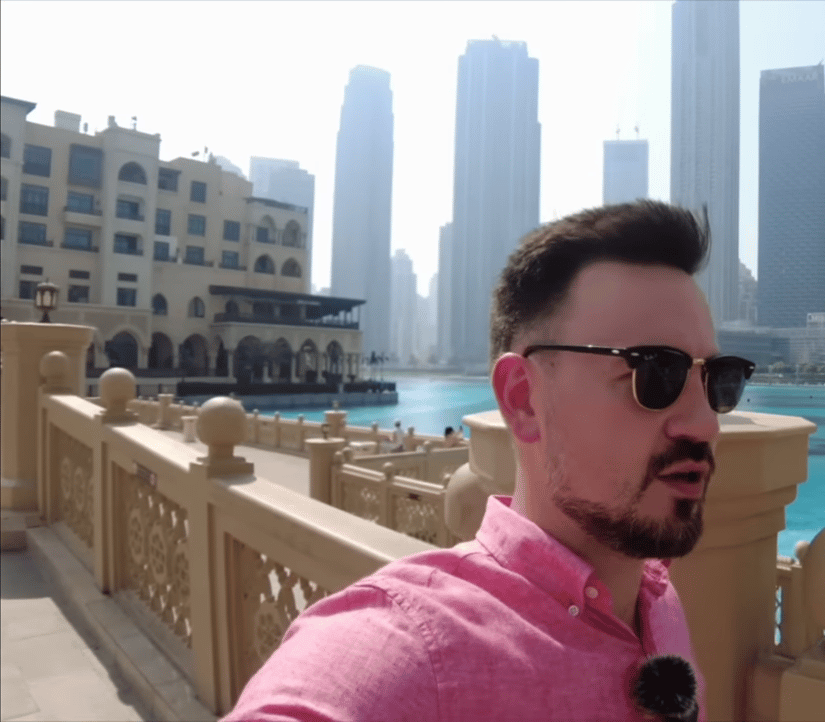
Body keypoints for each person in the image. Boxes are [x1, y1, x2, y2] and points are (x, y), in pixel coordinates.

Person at [224, 200, 754, 721]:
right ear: (524, 400)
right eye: (656, 374)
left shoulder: (659, 602)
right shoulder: (417, 650)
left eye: (718, 380)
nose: (706, 425)